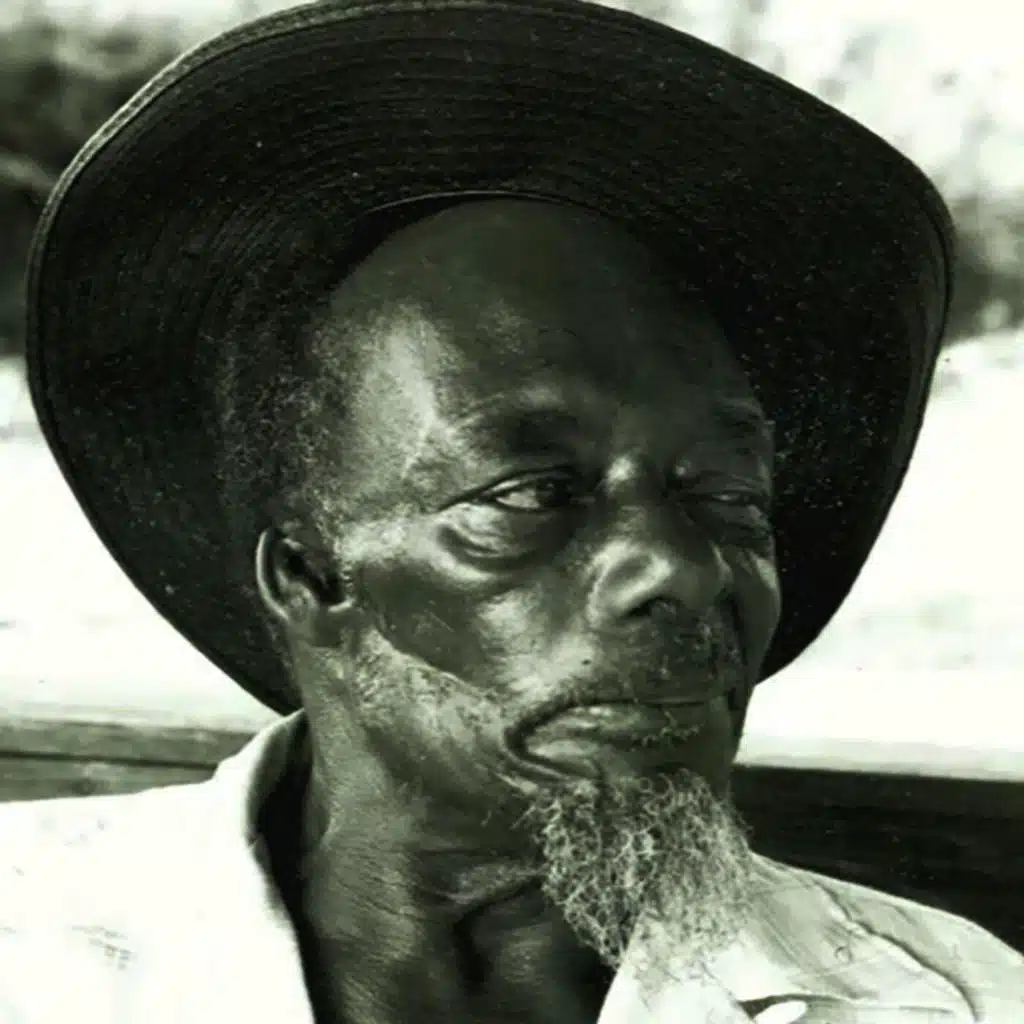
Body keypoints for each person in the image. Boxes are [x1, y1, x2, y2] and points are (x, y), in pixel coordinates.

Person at [1, 0, 1020, 1020]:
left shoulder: (948, 999)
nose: (681, 568)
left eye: (724, 495)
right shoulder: (35, 948)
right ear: (308, 578)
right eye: (531, 494)